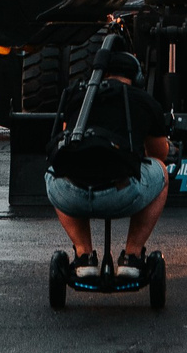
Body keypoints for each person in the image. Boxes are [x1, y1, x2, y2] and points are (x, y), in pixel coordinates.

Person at [45, 46, 173, 283]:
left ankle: (84, 257)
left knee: (59, 170)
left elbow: (66, 142)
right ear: (137, 78)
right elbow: (160, 153)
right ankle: (132, 258)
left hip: (70, 194)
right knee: (161, 172)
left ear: (101, 74)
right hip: (120, 193)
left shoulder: (76, 96)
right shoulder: (144, 101)